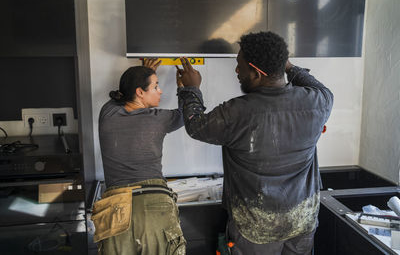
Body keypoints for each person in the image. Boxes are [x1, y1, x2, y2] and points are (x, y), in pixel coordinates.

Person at [176, 31, 333, 255]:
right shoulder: (319, 102)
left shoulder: (237, 112)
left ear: (257, 73)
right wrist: (288, 67)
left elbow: (196, 125)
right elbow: (320, 87)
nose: (236, 71)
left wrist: (191, 89)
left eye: (240, 65)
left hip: (255, 230)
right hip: (302, 222)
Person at [93, 59, 186, 255]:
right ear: (139, 92)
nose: (160, 91)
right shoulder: (158, 118)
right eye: (155, 86)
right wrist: (187, 88)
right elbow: (186, 115)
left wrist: (144, 73)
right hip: (153, 203)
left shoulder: (107, 113)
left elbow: (120, 97)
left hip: (114, 209)